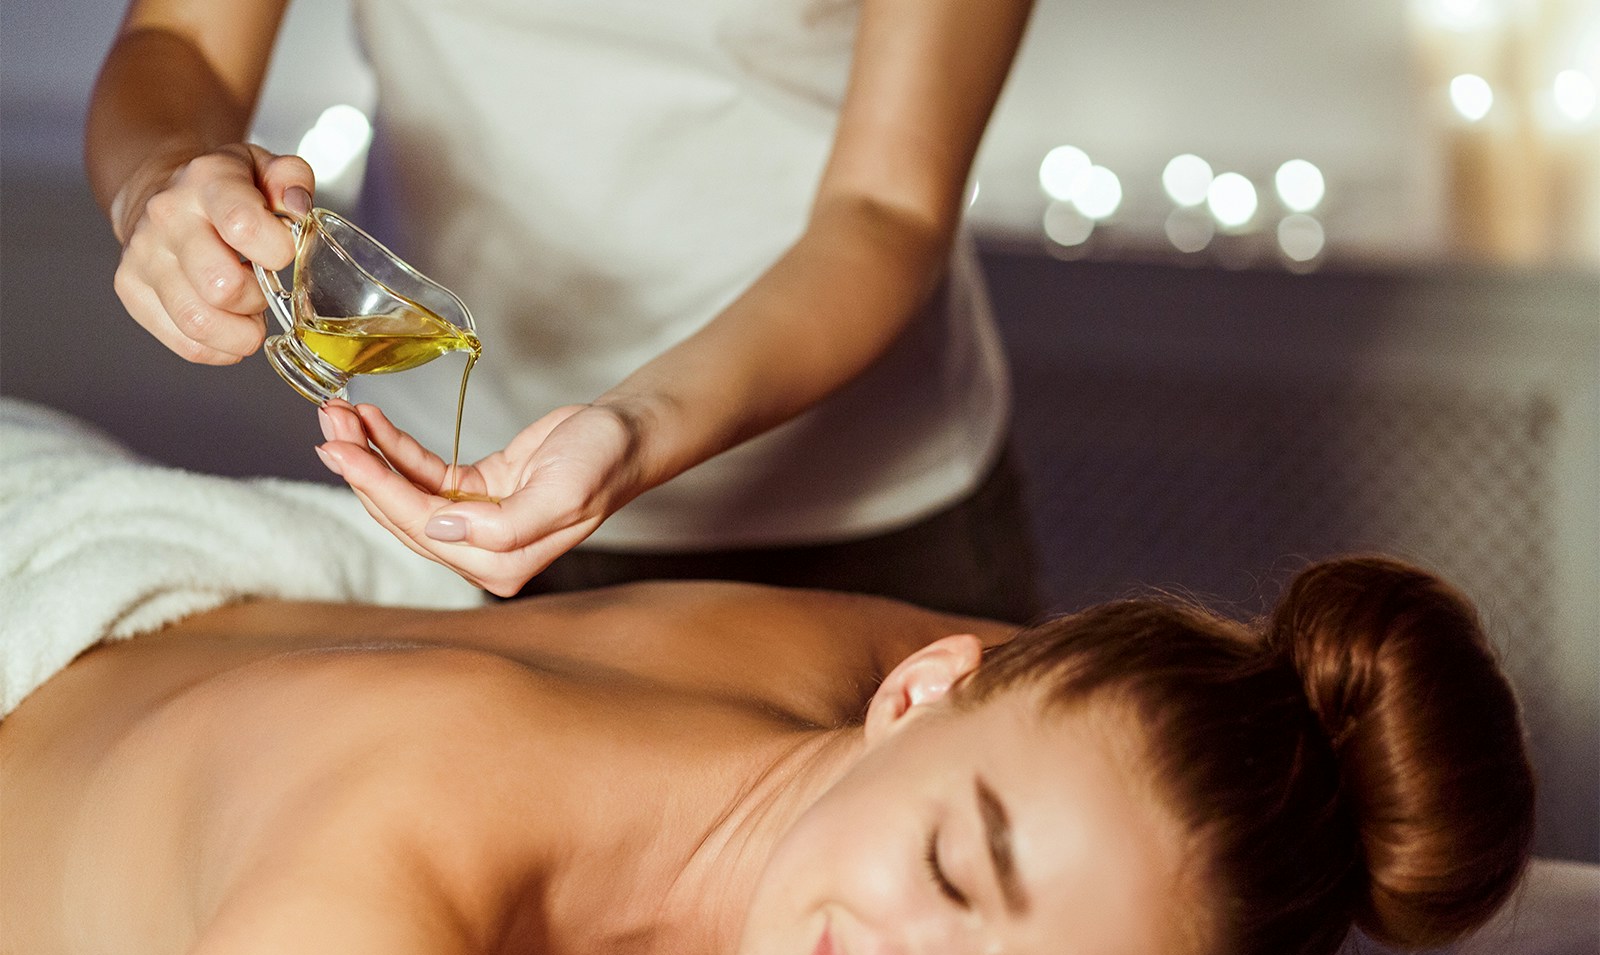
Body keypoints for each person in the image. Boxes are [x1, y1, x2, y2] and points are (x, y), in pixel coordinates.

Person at [0, 554, 1534, 955]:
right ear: (922, 693)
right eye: (949, 871)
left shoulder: (950, 711)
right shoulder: (395, 885)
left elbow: (1171, 773)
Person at [85, 0, 1043, 620]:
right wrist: (161, 180)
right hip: (433, 493)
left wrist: (632, 427)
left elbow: (888, 209)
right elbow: (182, 40)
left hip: (855, 509)